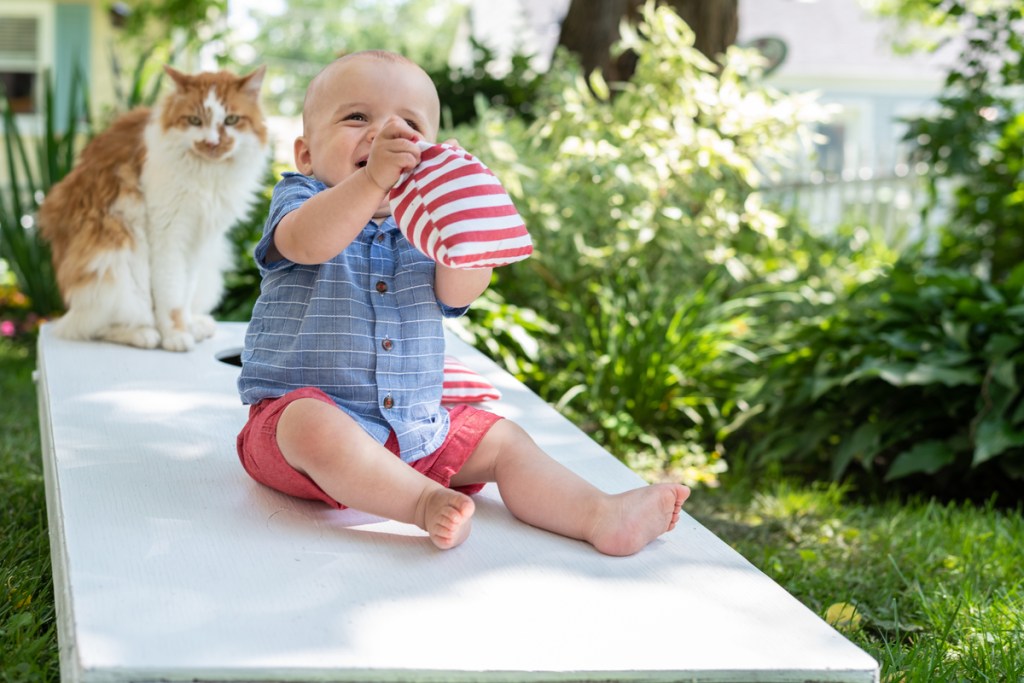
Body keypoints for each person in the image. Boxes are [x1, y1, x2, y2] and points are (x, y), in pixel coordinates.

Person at [236, 50, 690, 554]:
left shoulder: (425, 226)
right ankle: (420, 503)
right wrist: (370, 180)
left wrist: (466, 218)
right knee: (310, 423)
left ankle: (599, 514)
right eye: (357, 117)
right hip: (297, 436)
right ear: (305, 153)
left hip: (414, 433)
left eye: (408, 124)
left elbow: (459, 291)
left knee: (504, 441)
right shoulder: (301, 197)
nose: (386, 134)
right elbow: (307, 242)